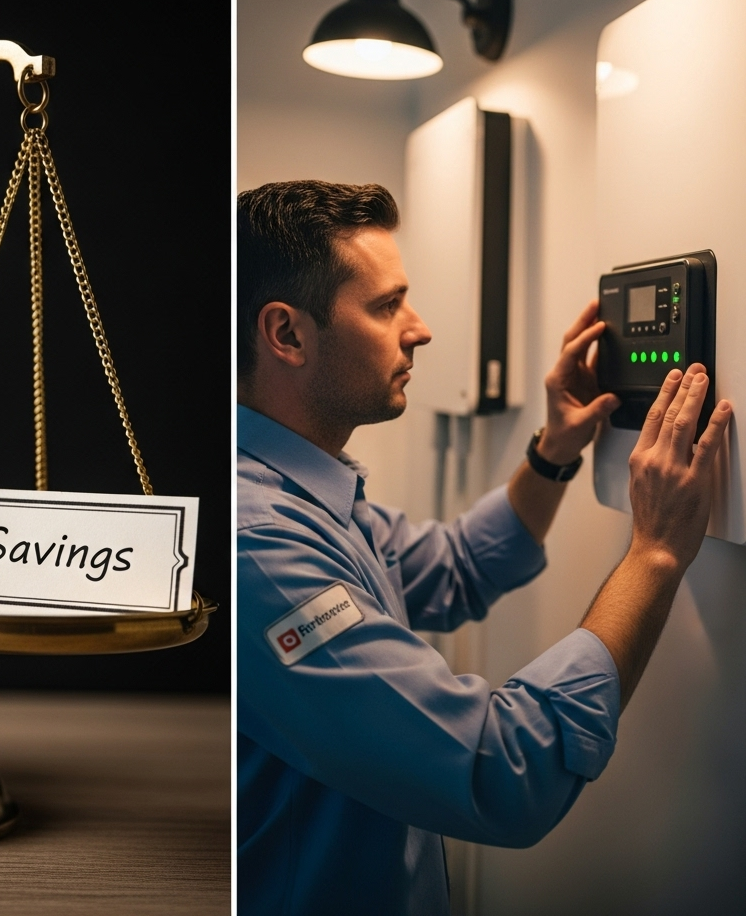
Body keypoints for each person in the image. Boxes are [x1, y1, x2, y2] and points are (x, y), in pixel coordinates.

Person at [236, 180, 732, 916]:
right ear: (288, 334)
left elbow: (456, 567)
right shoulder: (265, 549)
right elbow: (503, 770)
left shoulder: (312, 495)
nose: (420, 328)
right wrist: (654, 553)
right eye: (385, 305)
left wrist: (556, 449)